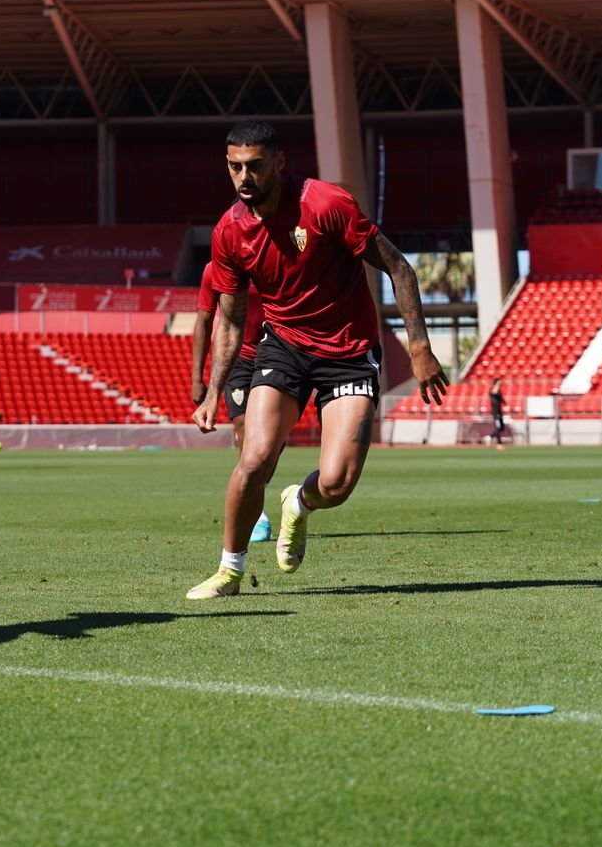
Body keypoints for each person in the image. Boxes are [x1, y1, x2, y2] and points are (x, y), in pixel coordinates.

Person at [186, 120, 447, 599]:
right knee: (254, 459)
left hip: (348, 353)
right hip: (283, 346)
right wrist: (209, 389)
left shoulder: (326, 204)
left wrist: (419, 347)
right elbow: (229, 320)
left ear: (279, 162)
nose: (245, 177)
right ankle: (229, 570)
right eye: (235, 167)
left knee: (338, 482)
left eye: (255, 166)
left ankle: (299, 502)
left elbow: (398, 266)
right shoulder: (229, 232)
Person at [191, 258, 274, 542]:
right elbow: (203, 320)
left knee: (273, 441)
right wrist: (196, 378)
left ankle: (255, 491)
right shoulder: (213, 269)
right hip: (237, 359)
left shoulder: (270, 258)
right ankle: (257, 514)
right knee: (243, 426)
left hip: (276, 355)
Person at [487, 377, 507, 447]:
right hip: (495, 412)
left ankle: (490, 437)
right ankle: (499, 443)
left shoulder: (499, 390)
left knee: (502, 428)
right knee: (498, 427)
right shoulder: (493, 390)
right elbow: (494, 393)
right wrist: (497, 384)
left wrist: (505, 403)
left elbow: (501, 399)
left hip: (499, 411)